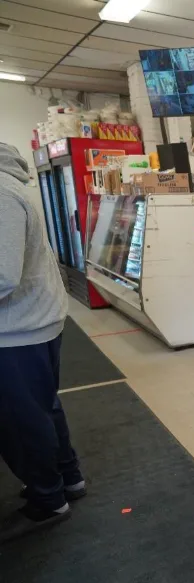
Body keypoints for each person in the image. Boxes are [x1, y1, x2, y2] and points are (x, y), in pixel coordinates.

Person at [0, 142, 85, 543]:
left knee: (20, 419)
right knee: (43, 406)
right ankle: (67, 478)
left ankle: (48, 497)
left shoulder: (1, 193)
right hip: (35, 321)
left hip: (16, 330)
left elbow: (2, 275)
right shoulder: (12, 188)